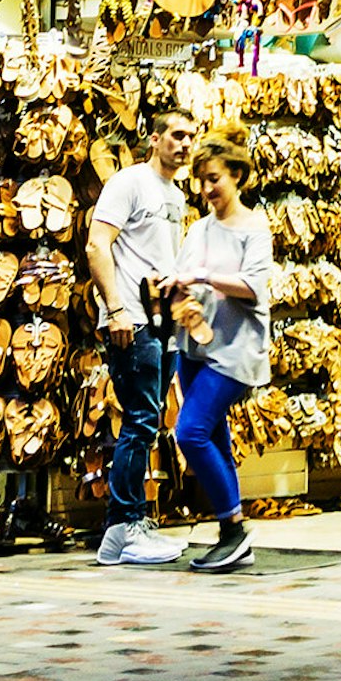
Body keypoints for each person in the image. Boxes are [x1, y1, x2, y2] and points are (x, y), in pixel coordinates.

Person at [86, 106, 198, 566]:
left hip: (161, 323)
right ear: (153, 138)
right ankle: (125, 527)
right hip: (130, 319)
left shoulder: (176, 194)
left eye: (191, 136)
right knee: (138, 422)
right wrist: (114, 309)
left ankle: (124, 527)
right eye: (175, 134)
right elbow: (97, 244)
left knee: (147, 423)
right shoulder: (129, 182)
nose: (185, 143)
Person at [165, 141, 275, 576]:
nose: (208, 188)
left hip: (236, 350)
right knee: (215, 436)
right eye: (203, 180)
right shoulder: (199, 229)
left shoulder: (255, 229)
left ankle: (233, 530)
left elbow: (254, 286)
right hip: (195, 346)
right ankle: (233, 534)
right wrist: (174, 286)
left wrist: (204, 277)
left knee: (189, 433)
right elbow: (185, 277)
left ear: (237, 176)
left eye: (215, 178)